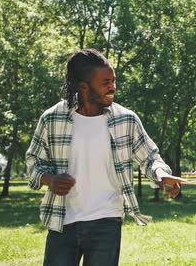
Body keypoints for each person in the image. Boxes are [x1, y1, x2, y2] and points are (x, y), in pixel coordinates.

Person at [26, 48, 182, 266]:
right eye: (105, 82)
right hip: (62, 220)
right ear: (83, 86)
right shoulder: (52, 119)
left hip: (106, 221)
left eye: (113, 81)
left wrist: (161, 174)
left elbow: (150, 157)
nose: (113, 87)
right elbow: (33, 163)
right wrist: (50, 180)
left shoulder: (126, 120)